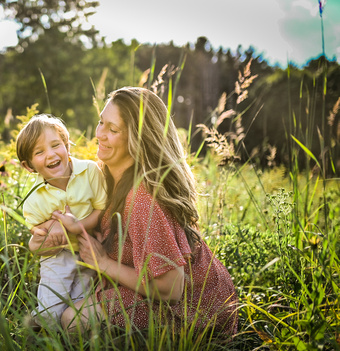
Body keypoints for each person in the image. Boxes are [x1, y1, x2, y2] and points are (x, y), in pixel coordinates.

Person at [53, 87, 238, 335]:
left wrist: (103, 263)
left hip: (192, 313)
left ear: (138, 139)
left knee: (74, 321)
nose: (100, 134)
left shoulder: (143, 198)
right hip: (150, 290)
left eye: (113, 130)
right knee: (54, 313)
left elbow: (171, 289)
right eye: (101, 122)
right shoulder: (105, 175)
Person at [16, 114, 107, 328]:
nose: (51, 154)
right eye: (39, 152)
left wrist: (78, 226)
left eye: (56, 145)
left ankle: (69, 347)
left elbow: (101, 210)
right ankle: (36, 334)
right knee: (51, 311)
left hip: (88, 251)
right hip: (57, 257)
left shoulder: (90, 171)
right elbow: (38, 238)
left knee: (76, 304)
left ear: (67, 146)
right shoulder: (33, 198)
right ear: (29, 165)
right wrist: (52, 226)